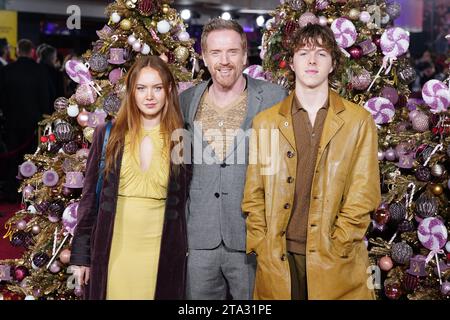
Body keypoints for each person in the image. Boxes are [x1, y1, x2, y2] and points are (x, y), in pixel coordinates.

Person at [242, 23, 381, 300]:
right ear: (291, 63)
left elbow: (364, 192)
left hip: (335, 257)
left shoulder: (358, 121)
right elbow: (254, 191)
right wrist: (261, 240)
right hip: (280, 255)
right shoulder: (266, 122)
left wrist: (340, 240)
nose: (312, 61)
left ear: (333, 64)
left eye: (321, 53)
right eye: (304, 53)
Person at [179, 18, 287, 300]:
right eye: (215, 53)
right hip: (200, 237)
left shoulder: (275, 98)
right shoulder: (186, 100)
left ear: (244, 54)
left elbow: (285, 167)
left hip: (251, 236)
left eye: (232, 52)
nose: (224, 61)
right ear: (203, 57)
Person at [70, 56, 189, 300]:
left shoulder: (183, 138)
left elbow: (191, 201)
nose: (150, 96)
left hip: (162, 255)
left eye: (157, 88)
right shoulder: (108, 134)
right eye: (141, 88)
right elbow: (89, 200)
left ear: (168, 91)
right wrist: (81, 256)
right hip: (114, 252)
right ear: (131, 92)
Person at [0, 39, 50, 202]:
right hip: (34, 123)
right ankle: (31, 194)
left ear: (17, 51)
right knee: (33, 158)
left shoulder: (7, 70)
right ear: (32, 51)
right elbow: (46, 97)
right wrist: (44, 117)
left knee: (12, 160)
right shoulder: (40, 71)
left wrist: (6, 115)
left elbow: (2, 97)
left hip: (11, 122)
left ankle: (12, 192)